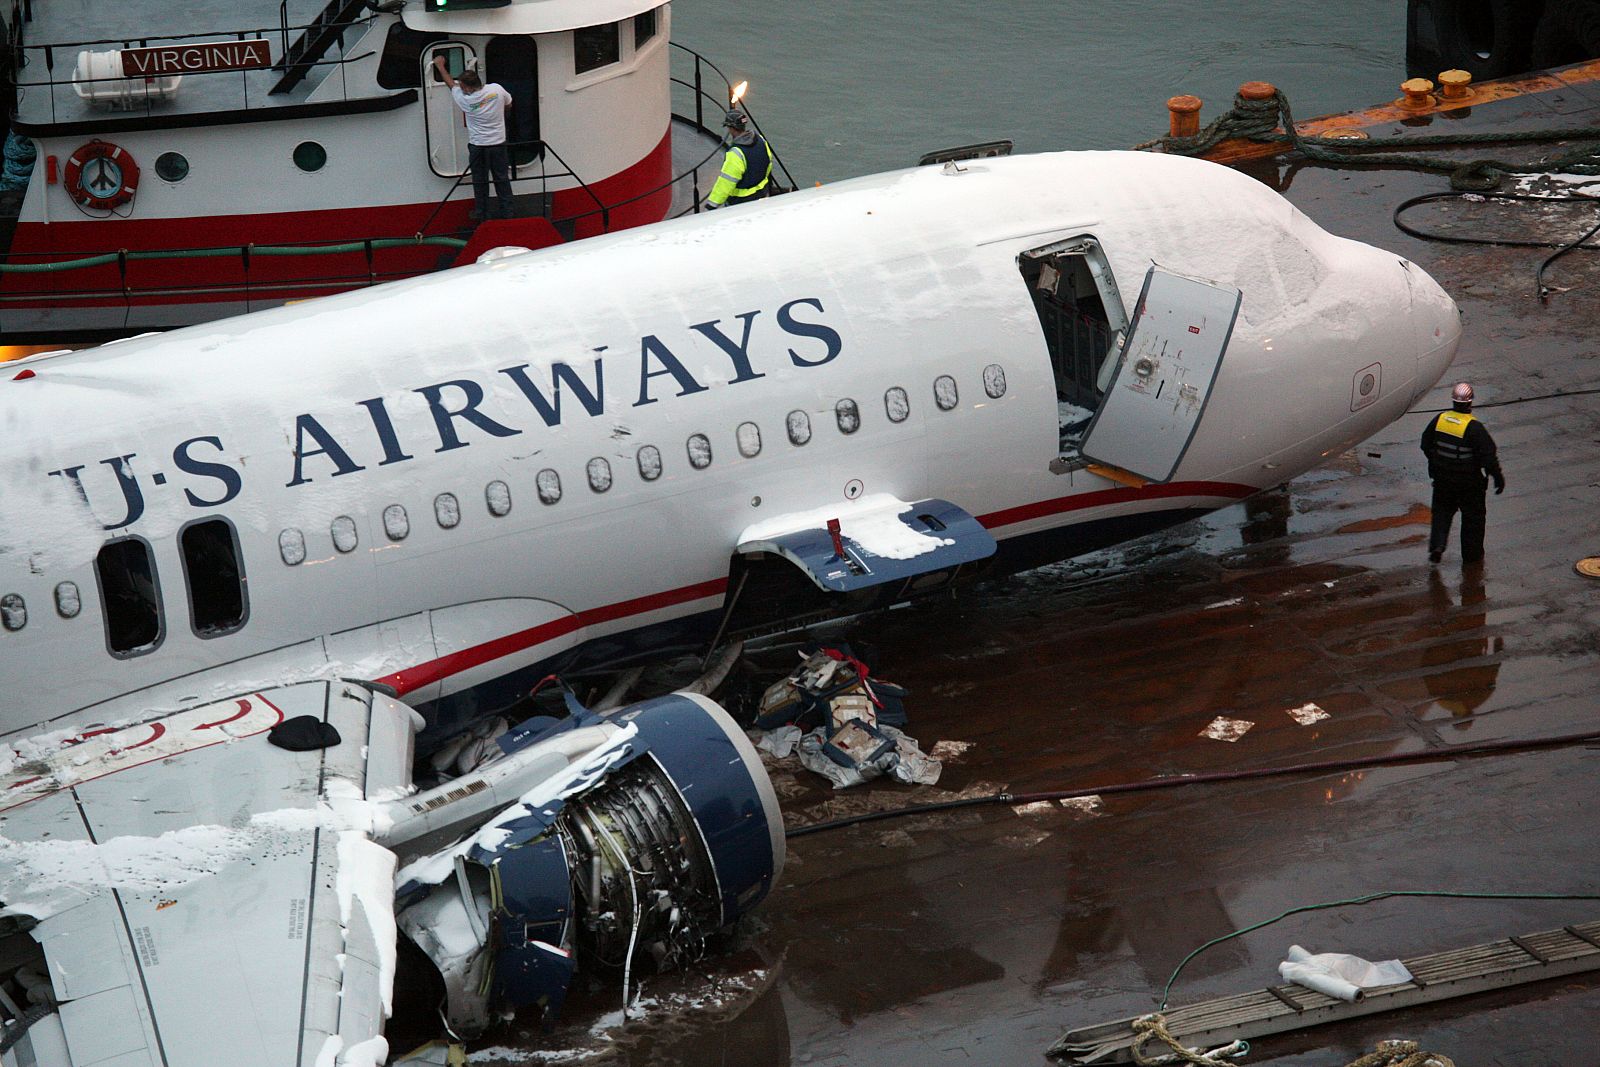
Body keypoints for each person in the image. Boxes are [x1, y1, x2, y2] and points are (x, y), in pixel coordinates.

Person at [1420, 381, 1504, 564]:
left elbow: (1425, 444)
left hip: (1443, 481)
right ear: (1469, 403)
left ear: (1453, 402)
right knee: (1473, 521)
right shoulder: (1474, 428)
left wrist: (1437, 462)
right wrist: (1497, 477)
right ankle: (1471, 557)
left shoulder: (1439, 420)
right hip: (1469, 485)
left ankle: (1437, 546)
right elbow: (1488, 456)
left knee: (1441, 515)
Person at [433, 56, 514, 220]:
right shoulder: (496, 89)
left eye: (462, 87)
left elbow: (451, 85)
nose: (461, 89)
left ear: (468, 88)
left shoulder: (465, 100)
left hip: (479, 146)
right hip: (498, 144)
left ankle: (482, 214)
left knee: (480, 181)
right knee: (502, 179)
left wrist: (440, 66)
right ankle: (507, 212)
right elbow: (509, 104)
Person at [703, 108, 773, 210]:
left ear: (730, 127)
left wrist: (712, 204)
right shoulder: (760, 139)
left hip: (741, 202)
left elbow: (726, 182)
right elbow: (769, 163)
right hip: (762, 192)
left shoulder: (735, 154)